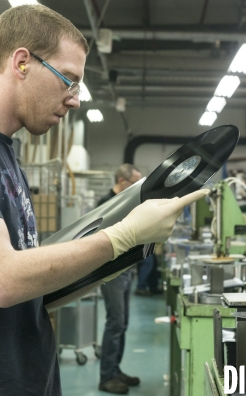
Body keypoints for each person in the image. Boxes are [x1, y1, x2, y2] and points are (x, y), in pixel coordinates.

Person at [0, 5, 208, 396]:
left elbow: (30, 284)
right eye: (69, 80)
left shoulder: (4, 152)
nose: (75, 99)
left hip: (24, 378)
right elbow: (3, 279)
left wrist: (110, 261)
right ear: (22, 62)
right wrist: (119, 238)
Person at [97, 164, 142, 394]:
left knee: (122, 324)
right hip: (112, 272)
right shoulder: (106, 203)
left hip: (127, 269)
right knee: (115, 323)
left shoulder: (130, 203)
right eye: (136, 182)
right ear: (123, 183)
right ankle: (106, 377)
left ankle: (115, 369)